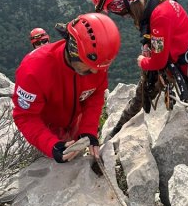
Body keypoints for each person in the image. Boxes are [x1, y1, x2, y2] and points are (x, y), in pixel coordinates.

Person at [87, 0, 188, 133]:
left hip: (184, 67)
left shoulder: (159, 15)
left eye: (112, 8)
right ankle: (118, 129)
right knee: (143, 93)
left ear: (117, 3)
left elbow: (159, 60)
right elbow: (150, 29)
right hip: (181, 55)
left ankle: (117, 130)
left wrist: (143, 62)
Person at [12, 13, 120, 163]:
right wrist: (50, 144)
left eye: (100, 67)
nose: (95, 72)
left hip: (74, 122)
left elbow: (95, 95)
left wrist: (88, 130)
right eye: (90, 67)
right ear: (74, 51)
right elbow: (25, 116)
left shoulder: (96, 61)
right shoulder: (33, 70)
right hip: (45, 130)